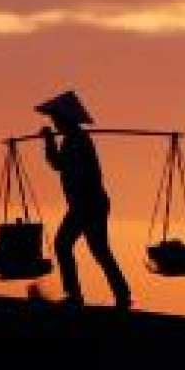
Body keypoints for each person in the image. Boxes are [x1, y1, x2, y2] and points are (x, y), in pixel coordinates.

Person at [36, 91, 132, 309]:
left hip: (87, 204)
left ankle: (75, 295)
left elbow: (59, 165)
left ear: (65, 119)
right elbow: (59, 164)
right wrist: (50, 142)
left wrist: (49, 142)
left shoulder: (77, 141)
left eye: (56, 119)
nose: (55, 122)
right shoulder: (73, 140)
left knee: (64, 244)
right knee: (99, 250)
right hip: (89, 203)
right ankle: (121, 294)